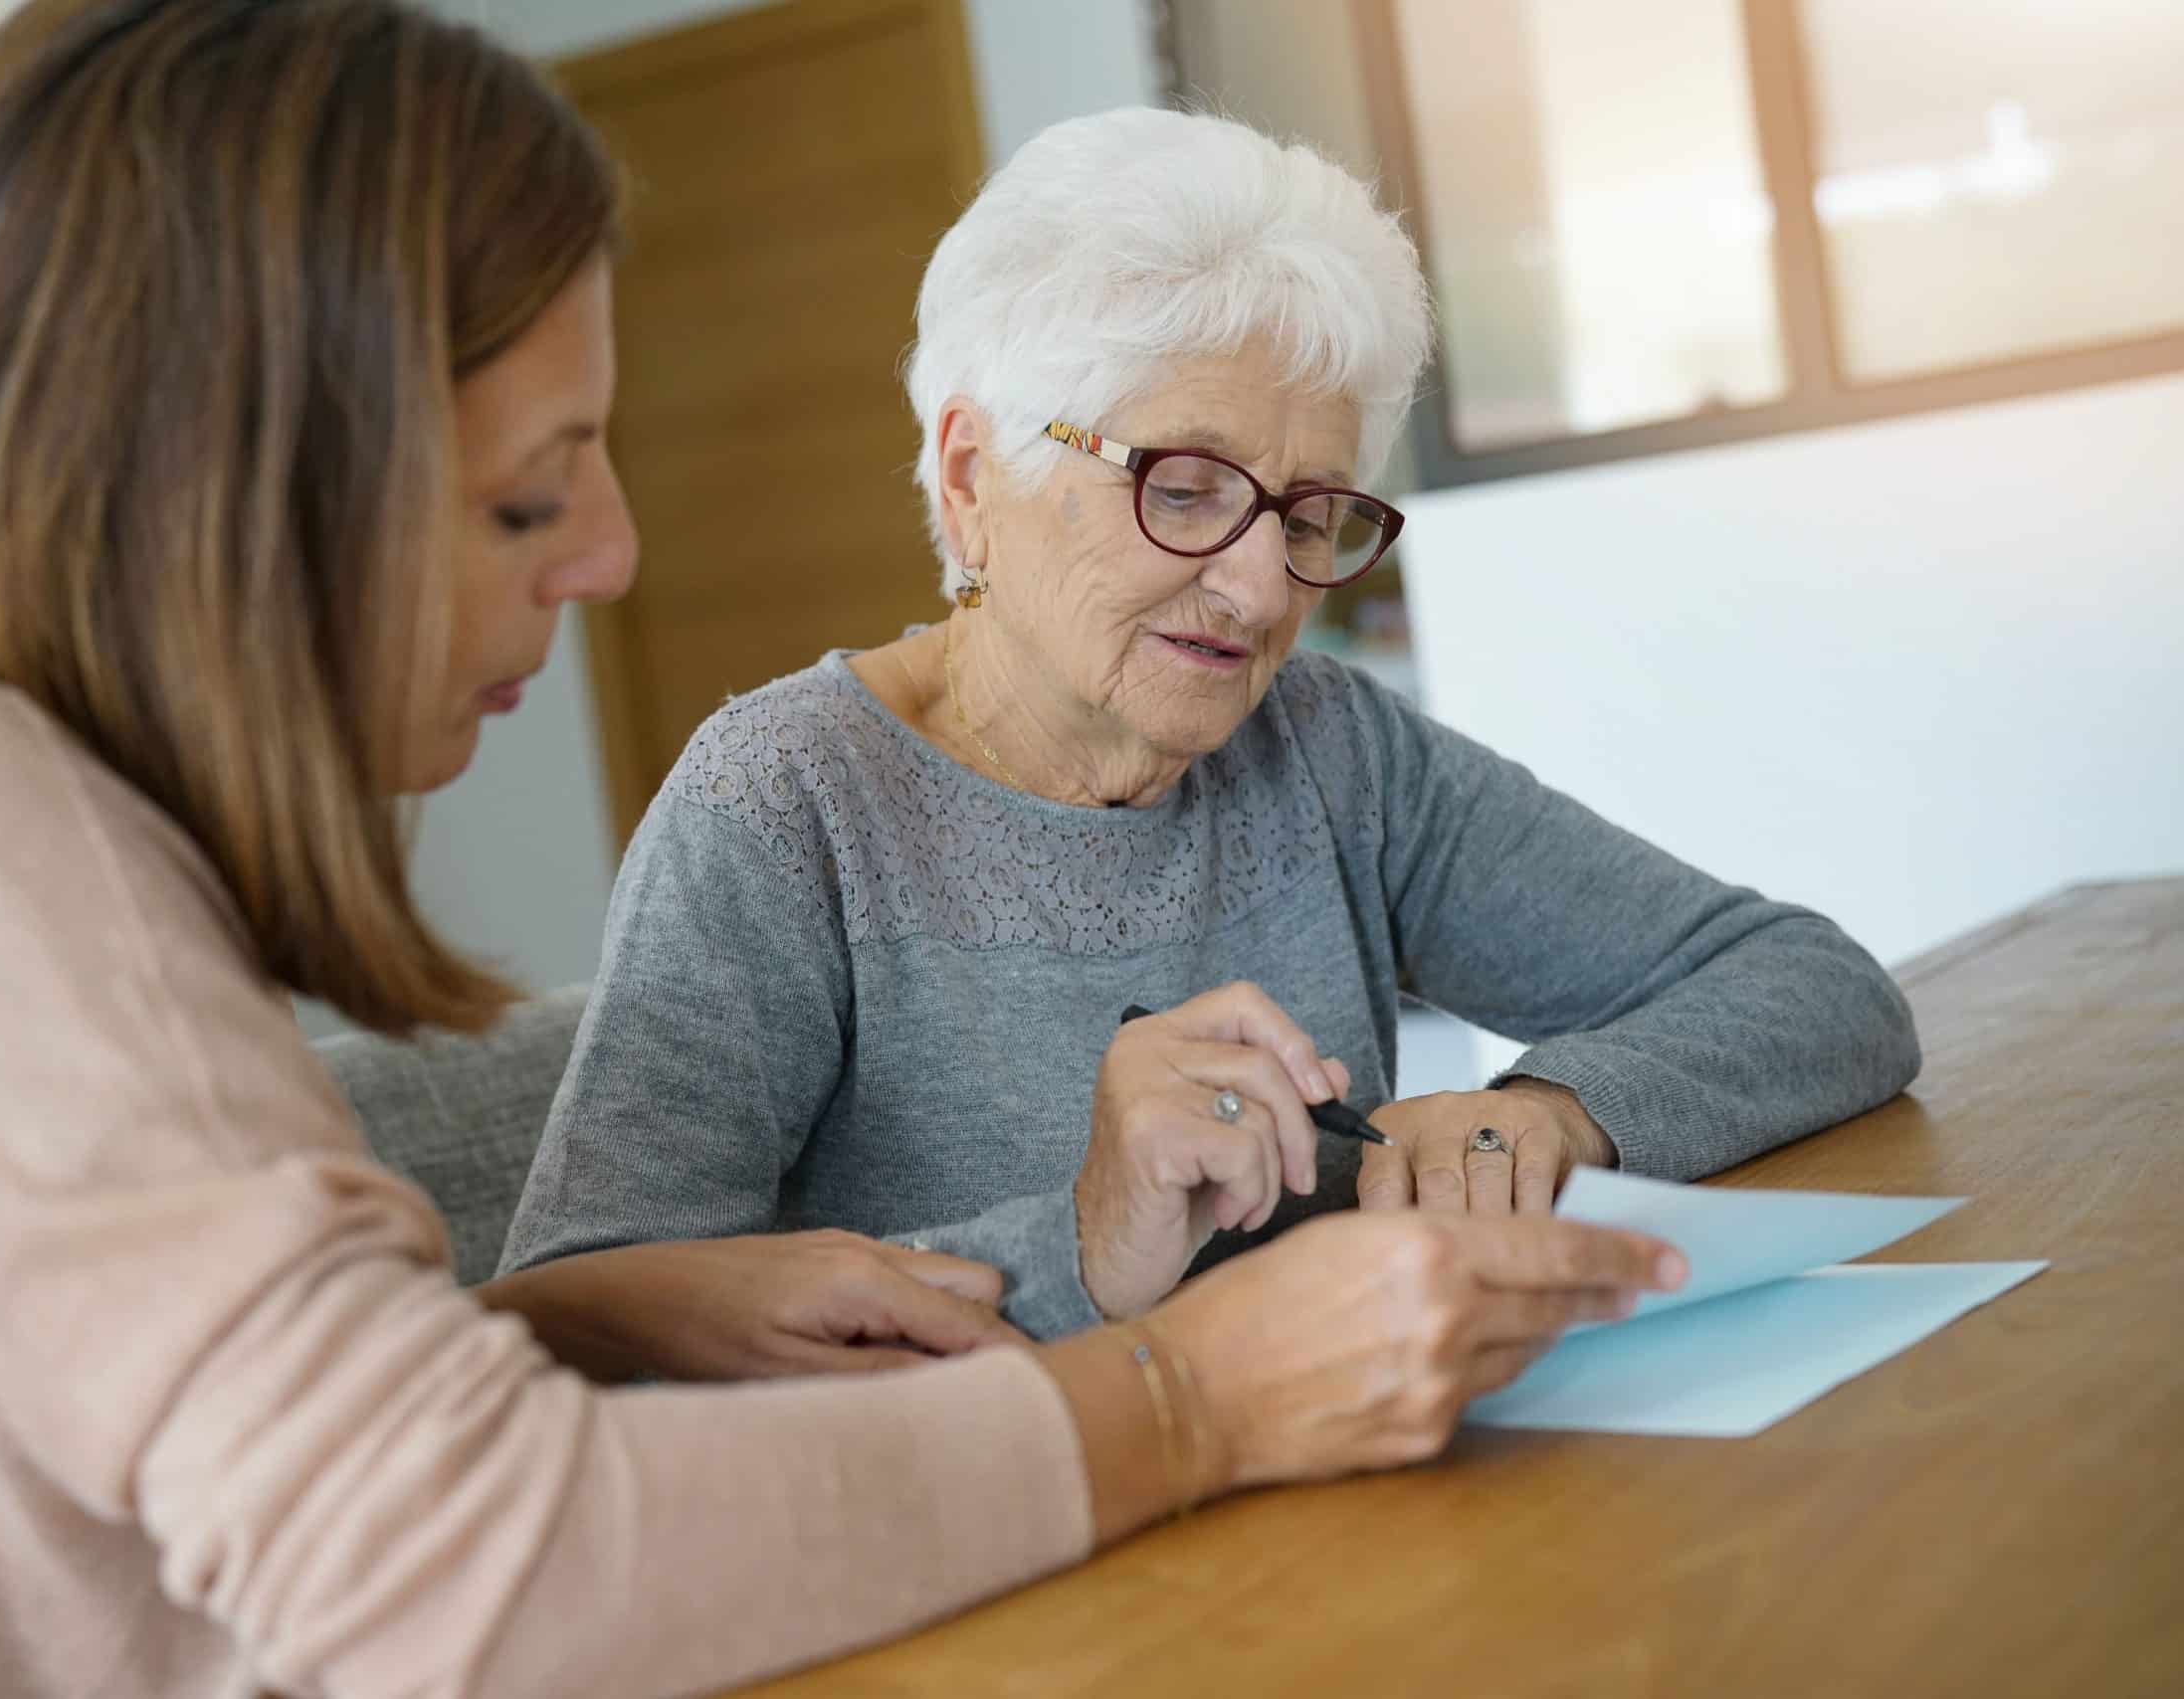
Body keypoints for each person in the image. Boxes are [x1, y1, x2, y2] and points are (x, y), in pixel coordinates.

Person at [0, 7, 1687, 1698]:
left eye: (1303, 510)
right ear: (239, 496)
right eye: (529, 504)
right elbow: (473, 1579)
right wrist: (1186, 1398)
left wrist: (571, 1326)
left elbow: (106, 1475)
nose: (610, 557)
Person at [500, 104, 1920, 1338]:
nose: (1256, 587)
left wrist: (1550, 1110)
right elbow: (588, 1312)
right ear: (973, 471)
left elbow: (1815, 989)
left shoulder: (1324, 747)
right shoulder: (788, 802)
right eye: (1184, 486)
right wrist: (1085, 1243)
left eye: (1311, 511)